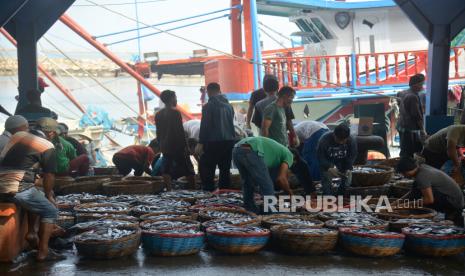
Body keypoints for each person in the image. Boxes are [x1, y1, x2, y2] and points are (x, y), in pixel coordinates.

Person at [0, 129, 60, 261]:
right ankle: (43, 252)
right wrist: (49, 196)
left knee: (35, 194)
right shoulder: (47, 146)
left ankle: (32, 233)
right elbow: (49, 175)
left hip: (3, 184)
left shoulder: (18, 136)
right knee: (50, 211)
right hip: (15, 187)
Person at [233, 136, 294, 213]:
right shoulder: (290, 156)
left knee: (247, 182)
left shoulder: (275, 155)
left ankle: (250, 209)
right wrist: (290, 194)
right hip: (251, 148)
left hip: (236, 148)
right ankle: (270, 213)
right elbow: (281, 178)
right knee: (267, 184)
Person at [397, 157, 464, 226]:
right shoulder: (421, 167)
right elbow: (412, 192)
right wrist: (396, 203)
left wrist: (404, 205)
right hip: (452, 197)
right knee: (416, 187)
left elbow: (429, 200)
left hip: (454, 203)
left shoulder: (422, 176)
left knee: (421, 196)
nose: (404, 176)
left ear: (408, 170)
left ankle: (448, 214)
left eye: (404, 173)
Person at [197, 83, 236, 191]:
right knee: (225, 170)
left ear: (209, 92)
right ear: (219, 90)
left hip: (213, 142)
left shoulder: (207, 107)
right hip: (229, 142)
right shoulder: (229, 106)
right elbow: (231, 122)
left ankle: (209, 193)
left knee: (208, 169)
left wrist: (201, 142)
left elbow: (205, 125)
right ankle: (224, 193)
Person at [155, 90, 195, 190]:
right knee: (189, 170)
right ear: (172, 98)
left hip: (165, 147)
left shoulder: (158, 114)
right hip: (177, 146)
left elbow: (158, 133)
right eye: (175, 97)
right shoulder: (175, 113)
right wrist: (186, 147)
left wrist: (161, 146)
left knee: (166, 170)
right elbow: (180, 132)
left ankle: (169, 190)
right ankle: (193, 190)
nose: (176, 99)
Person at [317, 123, 357, 195]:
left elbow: (352, 155)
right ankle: (328, 198)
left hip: (343, 161)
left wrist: (348, 167)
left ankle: (341, 197)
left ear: (347, 138)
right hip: (327, 161)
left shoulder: (351, 140)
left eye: (343, 140)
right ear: (334, 135)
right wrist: (328, 167)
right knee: (326, 182)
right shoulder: (324, 140)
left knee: (347, 181)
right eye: (338, 140)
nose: (341, 142)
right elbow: (320, 156)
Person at [397, 74, 426, 158]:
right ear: (416, 85)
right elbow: (417, 116)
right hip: (409, 128)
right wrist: (422, 130)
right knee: (410, 150)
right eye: (421, 84)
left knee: (404, 148)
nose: (422, 87)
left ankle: (404, 165)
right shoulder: (413, 96)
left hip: (401, 125)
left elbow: (400, 104)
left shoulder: (402, 92)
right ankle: (407, 167)